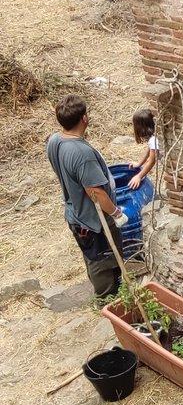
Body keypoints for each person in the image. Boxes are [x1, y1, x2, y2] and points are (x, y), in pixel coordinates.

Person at [46, 96, 128, 300]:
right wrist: (117, 214)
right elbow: (95, 192)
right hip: (93, 220)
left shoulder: (55, 140)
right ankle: (109, 298)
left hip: (75, 212)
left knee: (91, 256)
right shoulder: (82, 154)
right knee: (102, 259)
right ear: (84, 118)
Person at [128, 108, 158, 190]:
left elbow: (151, 162)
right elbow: (148, 150)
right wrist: (139, 164)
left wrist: (139, 176)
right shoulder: (154, 135)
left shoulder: (154, 140)